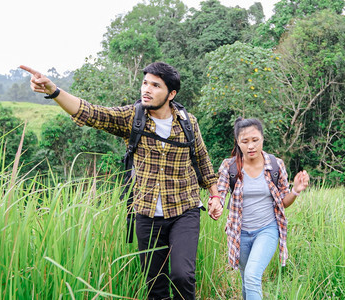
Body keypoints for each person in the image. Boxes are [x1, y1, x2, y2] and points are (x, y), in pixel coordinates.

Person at [20, 62, 223, 300]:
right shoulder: (132, 118)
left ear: (171, 94)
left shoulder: (188, 123)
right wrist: (54, 91)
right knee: (155, 286)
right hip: (146, 213)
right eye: (145, 82)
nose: (146, 89)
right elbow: (91, 113)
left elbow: (201, 158)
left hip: (184, 210)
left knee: (182, 275)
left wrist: (215, 195)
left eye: (156, 85)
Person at [211, 117, 309, 300]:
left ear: (262, 139)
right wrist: (215, 203)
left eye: (255, 140)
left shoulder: (275, 165)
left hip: (267, 229)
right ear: (238, 143)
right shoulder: (229, 166)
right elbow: (221, 193)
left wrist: (295, 190)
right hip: (239, 233)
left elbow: (283, 202)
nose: (250, 146)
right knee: (246, 279)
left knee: (252, 276)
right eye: (245, 141)